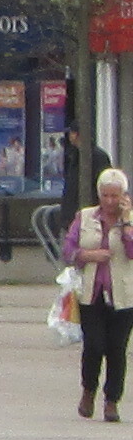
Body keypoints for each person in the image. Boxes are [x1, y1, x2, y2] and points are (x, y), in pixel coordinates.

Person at [73, 165, 133, 421]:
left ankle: (112, 401)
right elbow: (69, 248)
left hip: (123, 295)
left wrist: (127, 222)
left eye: (115, 196)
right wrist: (87, 255)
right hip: (92, 293)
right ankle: (89, 391)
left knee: (117, 348)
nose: (110, 201)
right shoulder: (85, 217)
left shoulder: (129, 219)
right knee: (95, 344)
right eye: (105, 195)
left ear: (123, 196)